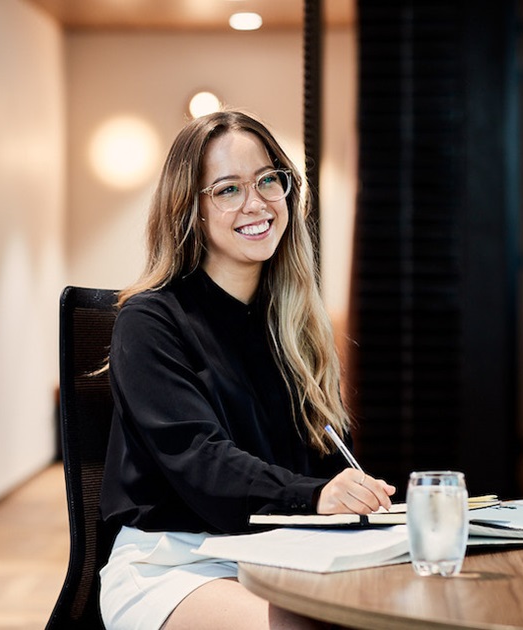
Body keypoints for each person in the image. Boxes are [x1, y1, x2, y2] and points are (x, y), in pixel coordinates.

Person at [99, 109, 396, 630]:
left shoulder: (294, 325)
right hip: (178, 564)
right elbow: (200, 462)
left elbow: (324, 459)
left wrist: (352, 496)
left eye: (266, 180)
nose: (256, 203)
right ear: (188, 208)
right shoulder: (150, 321)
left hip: (286, 554)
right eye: (228, 189)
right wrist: (316, 496)